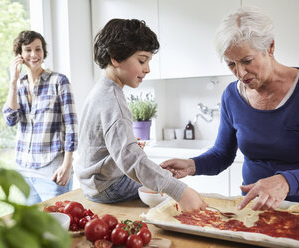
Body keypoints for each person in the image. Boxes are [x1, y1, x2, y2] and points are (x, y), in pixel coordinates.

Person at [161, 6, 299, 211]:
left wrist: (285, 182)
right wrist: (191, 165)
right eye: (231, 64)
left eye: (247, 60)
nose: (240, 72)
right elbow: (221, 155)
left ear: (270, 46)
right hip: (251, 211)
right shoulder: (232, 96)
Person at [75, 18, 207, 213]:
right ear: (116, 57)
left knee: (158, 180)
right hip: (108, 187)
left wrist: (159, 174)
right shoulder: (113, 100)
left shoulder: (100, 91)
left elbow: (104, 147)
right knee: (171, 199)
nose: (147, 69)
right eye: (142, 60)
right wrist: (179, 190)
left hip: (93, 184)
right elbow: (130, 159)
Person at [2, 30, 78, 205]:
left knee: (57, 225)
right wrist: (12, 82)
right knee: (33, 229)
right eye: (28, 49)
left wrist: (67, 165)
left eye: (38, 49)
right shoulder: (19, 85)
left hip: (52, 169)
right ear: (19, 54)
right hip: (24, 170)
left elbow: (71, 127)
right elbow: (10, 120)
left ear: (44, 52)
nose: (34, 54)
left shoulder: (59, 81)